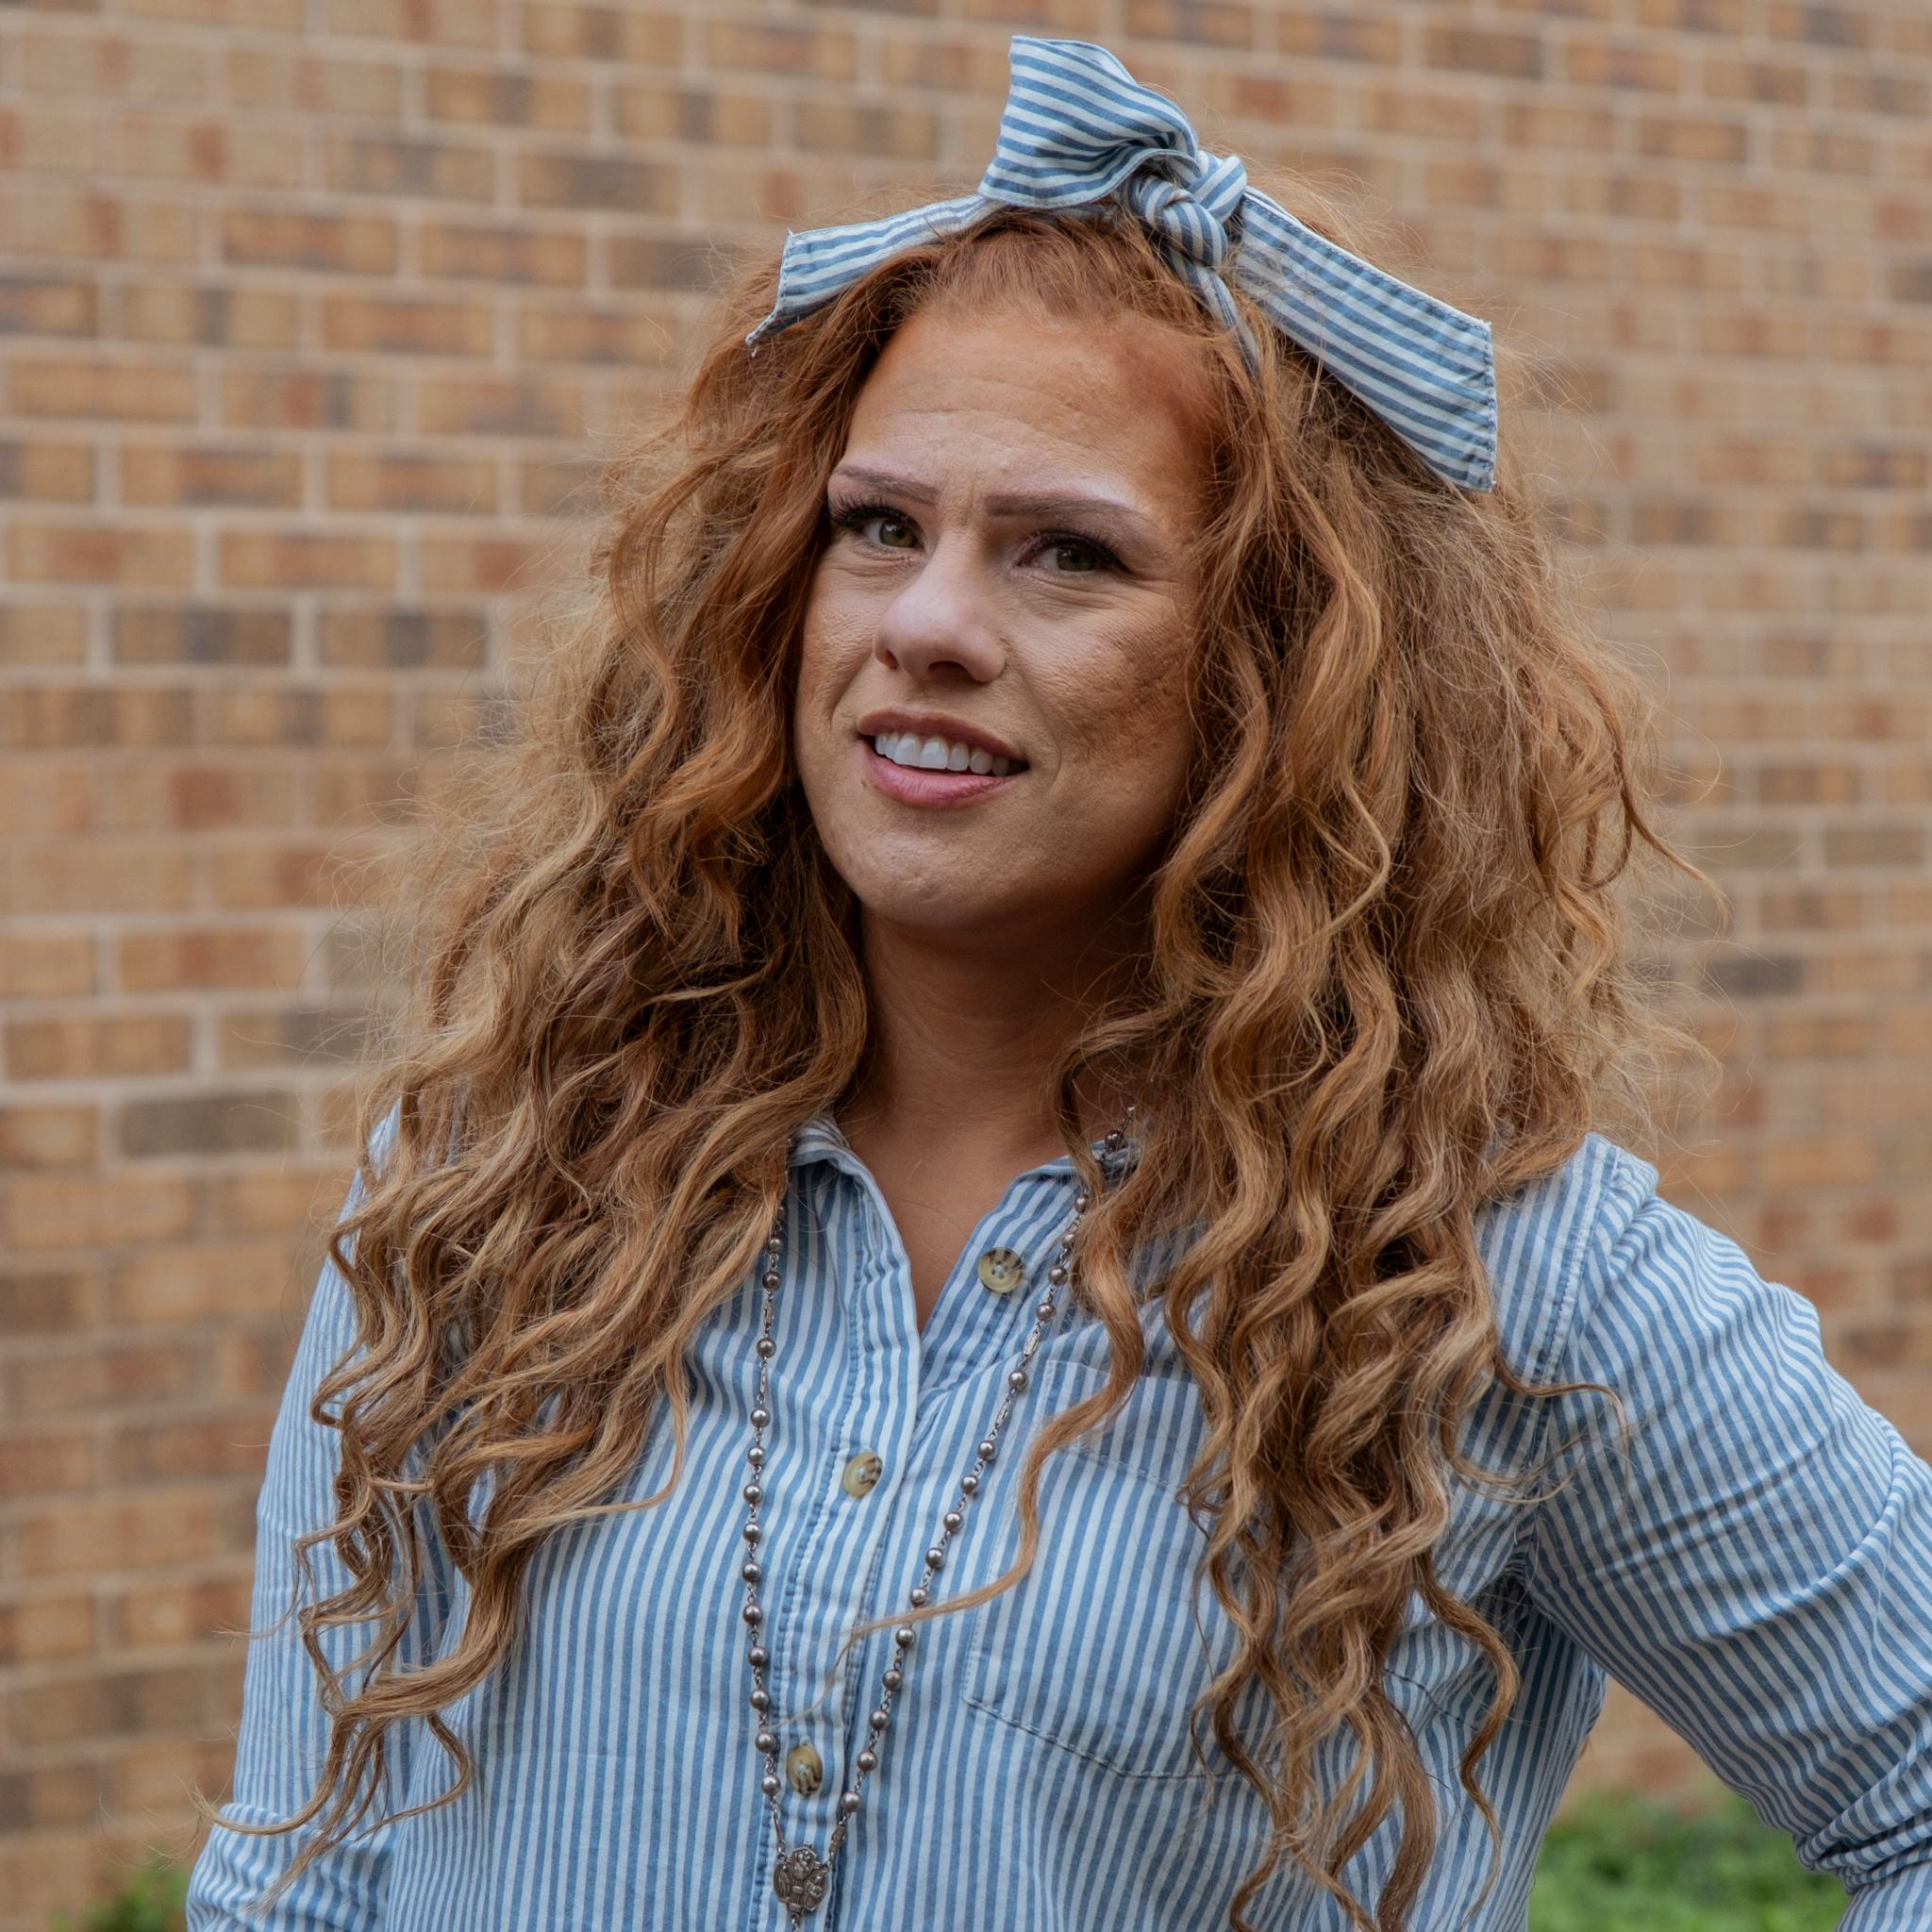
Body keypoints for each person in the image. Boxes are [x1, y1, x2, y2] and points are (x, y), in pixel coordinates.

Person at [189, 36, 1932, 1932]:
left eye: (1066, 555)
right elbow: (298, 1874)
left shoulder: (1492, 1281)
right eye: (877, 526)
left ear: (1284, 670)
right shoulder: (501, 1178)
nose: (927, 623)